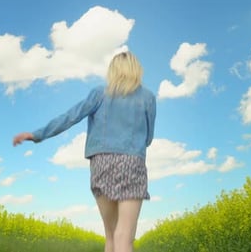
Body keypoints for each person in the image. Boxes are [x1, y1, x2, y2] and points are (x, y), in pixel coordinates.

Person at [13, 51, 156, 252]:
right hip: (132, 162)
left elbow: (71, 116)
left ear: (113, 71)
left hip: (101, 163)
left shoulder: (99, 93)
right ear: (137, 70)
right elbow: (148, 138)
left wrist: (37, 134)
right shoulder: (148, 97)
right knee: (124, 236)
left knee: (111, 236)